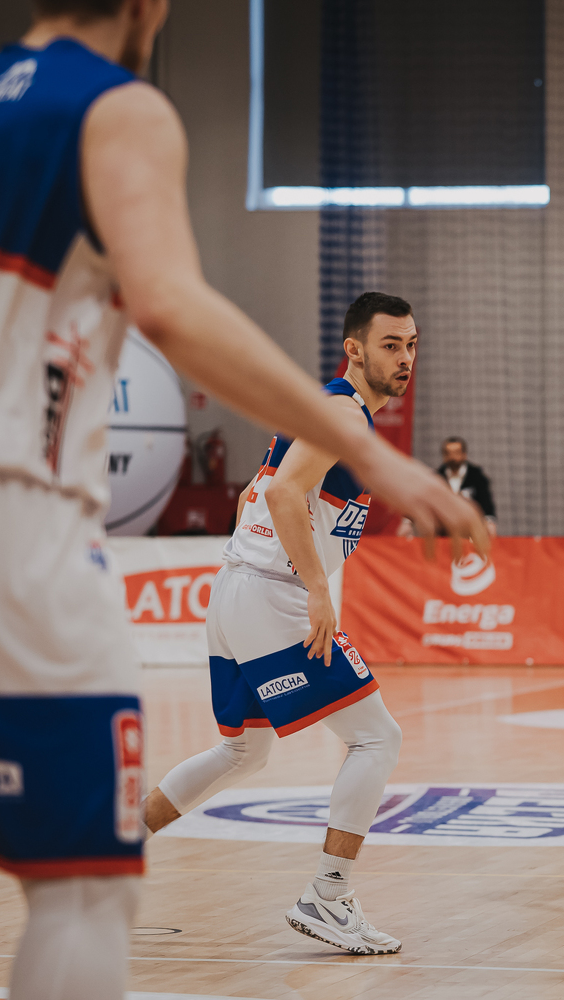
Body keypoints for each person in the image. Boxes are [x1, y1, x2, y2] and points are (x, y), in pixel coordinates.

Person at [0, 4, 485, 999]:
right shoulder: (117, 107)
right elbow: (172, 307)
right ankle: (326, 891)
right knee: (90, 883)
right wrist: (379, 470)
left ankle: (154, 832)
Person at [140, 293, 414, 955]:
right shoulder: (343, 412)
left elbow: (256, 491)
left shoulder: (318, 406)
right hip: (274, 597)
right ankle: (328, 895)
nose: (404, 358)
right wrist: (317, 587)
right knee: (377, 738)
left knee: (245, 751)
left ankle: (109, 847)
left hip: (238, 589)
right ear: (354, 350)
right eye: (389, 345)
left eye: (410, 345)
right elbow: (285, 491)